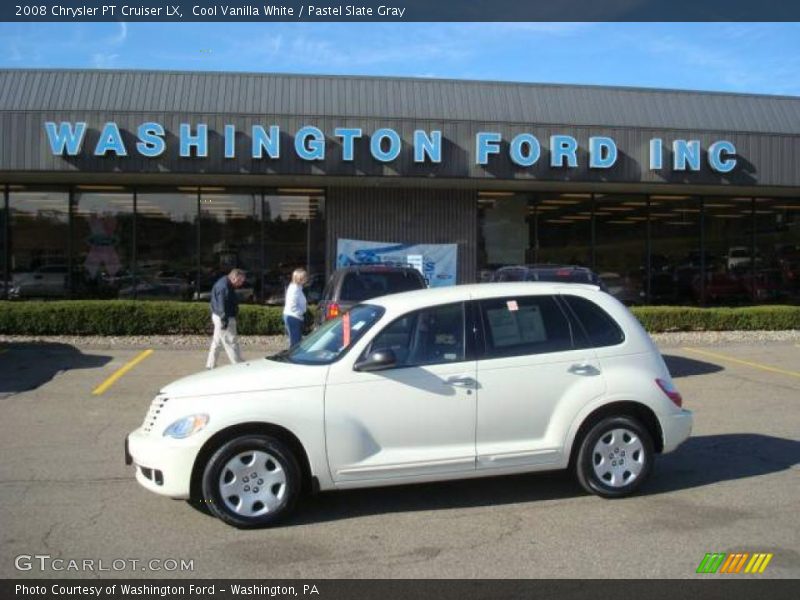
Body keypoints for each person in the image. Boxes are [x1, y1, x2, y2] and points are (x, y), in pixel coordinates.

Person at [205, 268, 246, 369]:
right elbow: (221, 305)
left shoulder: (224, 283)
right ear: (234, 278)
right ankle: (238, 365)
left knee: (217, 341)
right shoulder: (224, 287)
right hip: (224, 317)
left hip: (219, 316)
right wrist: (224, 320)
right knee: (231, 341)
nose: (241, 283)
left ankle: (210, 364)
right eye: (240, 280)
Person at [283, 268, 308, 348]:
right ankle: (293, 358)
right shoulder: (295, 289)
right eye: (304, 277)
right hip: (293, 317)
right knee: (295, 343)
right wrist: (301, 313)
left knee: (295, 341)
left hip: (292, 316)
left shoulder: (295, 287)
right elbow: (293, 305)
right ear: (299, 278)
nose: (306, 279)